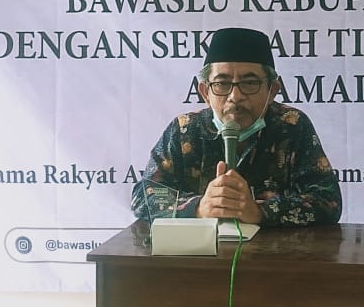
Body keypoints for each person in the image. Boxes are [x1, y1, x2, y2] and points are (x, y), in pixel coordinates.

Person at [132, 27, 343, 226]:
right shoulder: (184, 130)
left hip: (276, 250)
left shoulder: (292, 125)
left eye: (249, 83)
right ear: (205, 92)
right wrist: (199, 208)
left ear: (272, 90)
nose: (235, 96)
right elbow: (143, 197)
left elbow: (328, 200)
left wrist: (260, 211)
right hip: (200, 250)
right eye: (222, 83)